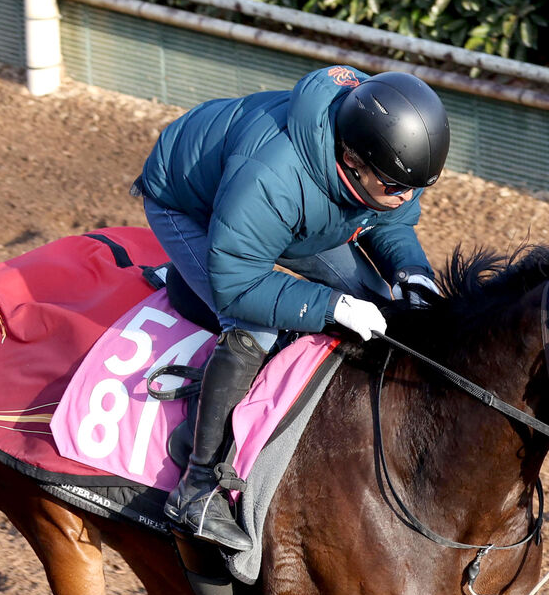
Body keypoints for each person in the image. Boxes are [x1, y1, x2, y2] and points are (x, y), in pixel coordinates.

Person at [133, 65, 450, 550]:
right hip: (188, 205)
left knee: (380, 302)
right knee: (254, 327)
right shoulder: (273, 175)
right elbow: (239, 285)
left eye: (415, 187)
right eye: (394, 186)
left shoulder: (383, 159)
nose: (406, 197)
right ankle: (197, 490)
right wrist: (330, 304)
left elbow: (389, 217)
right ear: (351, 158)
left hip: (292, 210)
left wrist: (413, 274)